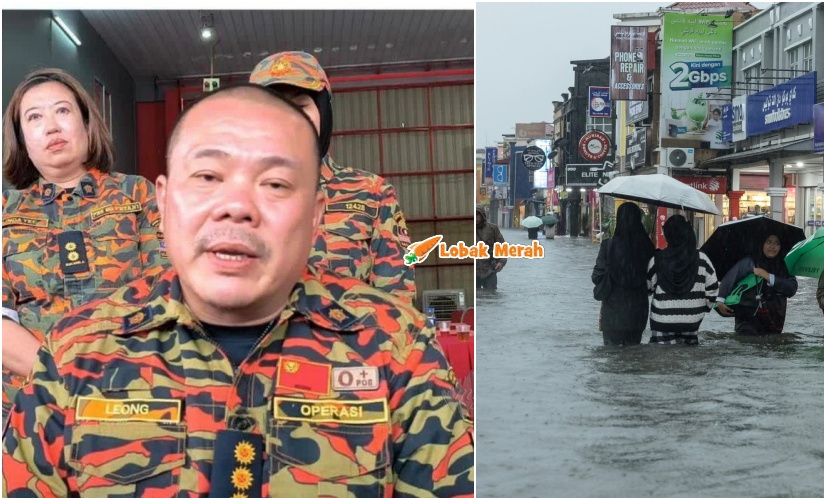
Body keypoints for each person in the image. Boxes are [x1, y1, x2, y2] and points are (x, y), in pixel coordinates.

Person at [2, 85, 473, 497]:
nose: (236, 207)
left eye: (275, 183)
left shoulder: (398, 349)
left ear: (316, 213)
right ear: (163, 202)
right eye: (207, 177)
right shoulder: (75, 354)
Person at [1, 68, 165, 423]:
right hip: (32, 411)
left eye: (62, 111)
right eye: (34, 117)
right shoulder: (4, 212)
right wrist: (68, 383)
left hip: (128, 400)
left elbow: (167, 294)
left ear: (87, 124)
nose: (52, 126)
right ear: (21, 138)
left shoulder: (137, 195)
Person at [249, 51, 415, 305]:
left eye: (301, 106)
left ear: (323, 113)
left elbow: (398, 303)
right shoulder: (234, 198)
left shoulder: (373, 194)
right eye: (274, 108)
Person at [645, 214, 719, 345]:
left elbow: (648, 288)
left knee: (662, 363)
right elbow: (713, 290)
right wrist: (702, 309)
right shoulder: (702, 259)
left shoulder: (656, 260)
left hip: (662, 322)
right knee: (689, 363)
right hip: (691, 323)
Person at [592, 203, 654, 346]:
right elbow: (652, 280)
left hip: (613, 311)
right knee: (634, 356)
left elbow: (596, 276)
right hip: (638, 312)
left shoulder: (608, 245)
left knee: (612, 360)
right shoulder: (647, 246)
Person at [716, 235, 799, 334]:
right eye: (769, 242)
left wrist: (768, 276)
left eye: (777, 243)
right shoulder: (750, 262)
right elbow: (729, 278)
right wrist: (720, 300)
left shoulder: (785, 265)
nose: (773, 246)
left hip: (774, 319)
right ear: (761, 244)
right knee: (747, 344)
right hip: (747, 319)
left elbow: (792, 288)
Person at [476, 206, 506, 290]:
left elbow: (502, 246)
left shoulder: (492, 228)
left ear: (483, 216)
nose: (476, 218)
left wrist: (501, 262)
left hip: (489, 269)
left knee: (491, 294)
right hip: (474, 271)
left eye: (478, 215)